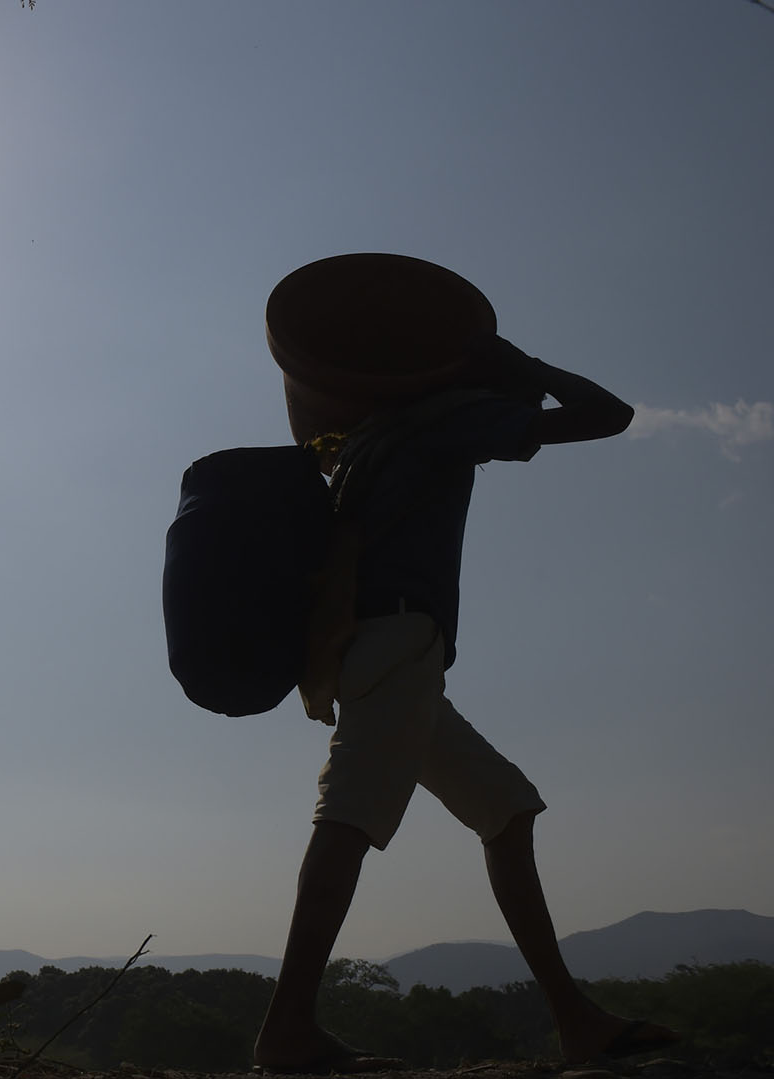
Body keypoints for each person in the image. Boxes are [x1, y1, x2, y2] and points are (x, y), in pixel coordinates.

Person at [252, 338, 677, 1072]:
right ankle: (287, 1028)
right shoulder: (445, 420)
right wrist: (528, 367)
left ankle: (576, 1021)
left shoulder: (367, 442)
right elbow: (608, 414)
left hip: (382, 648)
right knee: (349, 815)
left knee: (505, 809)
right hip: (400, 640)